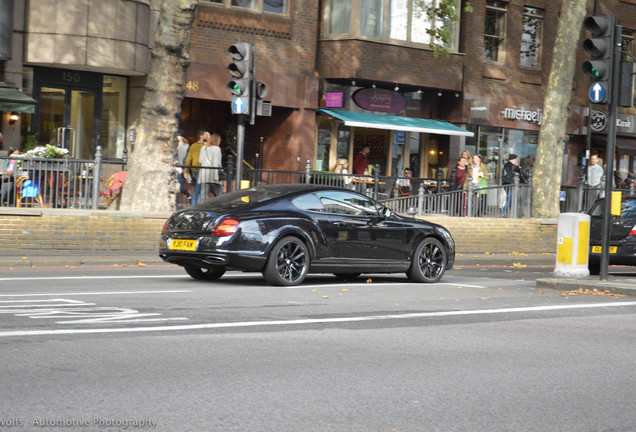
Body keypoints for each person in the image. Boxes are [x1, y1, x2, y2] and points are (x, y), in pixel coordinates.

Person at [198, 133, 223, 203]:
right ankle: (218, 209)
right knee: (219, 195)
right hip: (213, 175)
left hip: (204, 174)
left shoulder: (203, 148)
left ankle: (198, 209)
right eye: (219, 140)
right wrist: (216, 177)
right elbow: (215, 163)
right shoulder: (217, 149)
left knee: (202, 194)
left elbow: (200, 160)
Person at [185, 130, 206, 205]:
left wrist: (186, 171)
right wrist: (186, 171)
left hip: (194, 170)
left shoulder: (193, 146)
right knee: (199, 188)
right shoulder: (204, 146)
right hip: (201, 169)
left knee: (198, 187)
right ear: (201, 136)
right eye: (205, 135)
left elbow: (189, 159)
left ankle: (195, 203)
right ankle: (194, 204)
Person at [175, 130, 191, 201]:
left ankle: (188, 195)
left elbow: (186, 158)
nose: (178, 137)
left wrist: (183, 168)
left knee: (179, 186)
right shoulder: (173, 144)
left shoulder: (186, 146)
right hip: (173, 166)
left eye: (179, 135)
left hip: (180, 167)